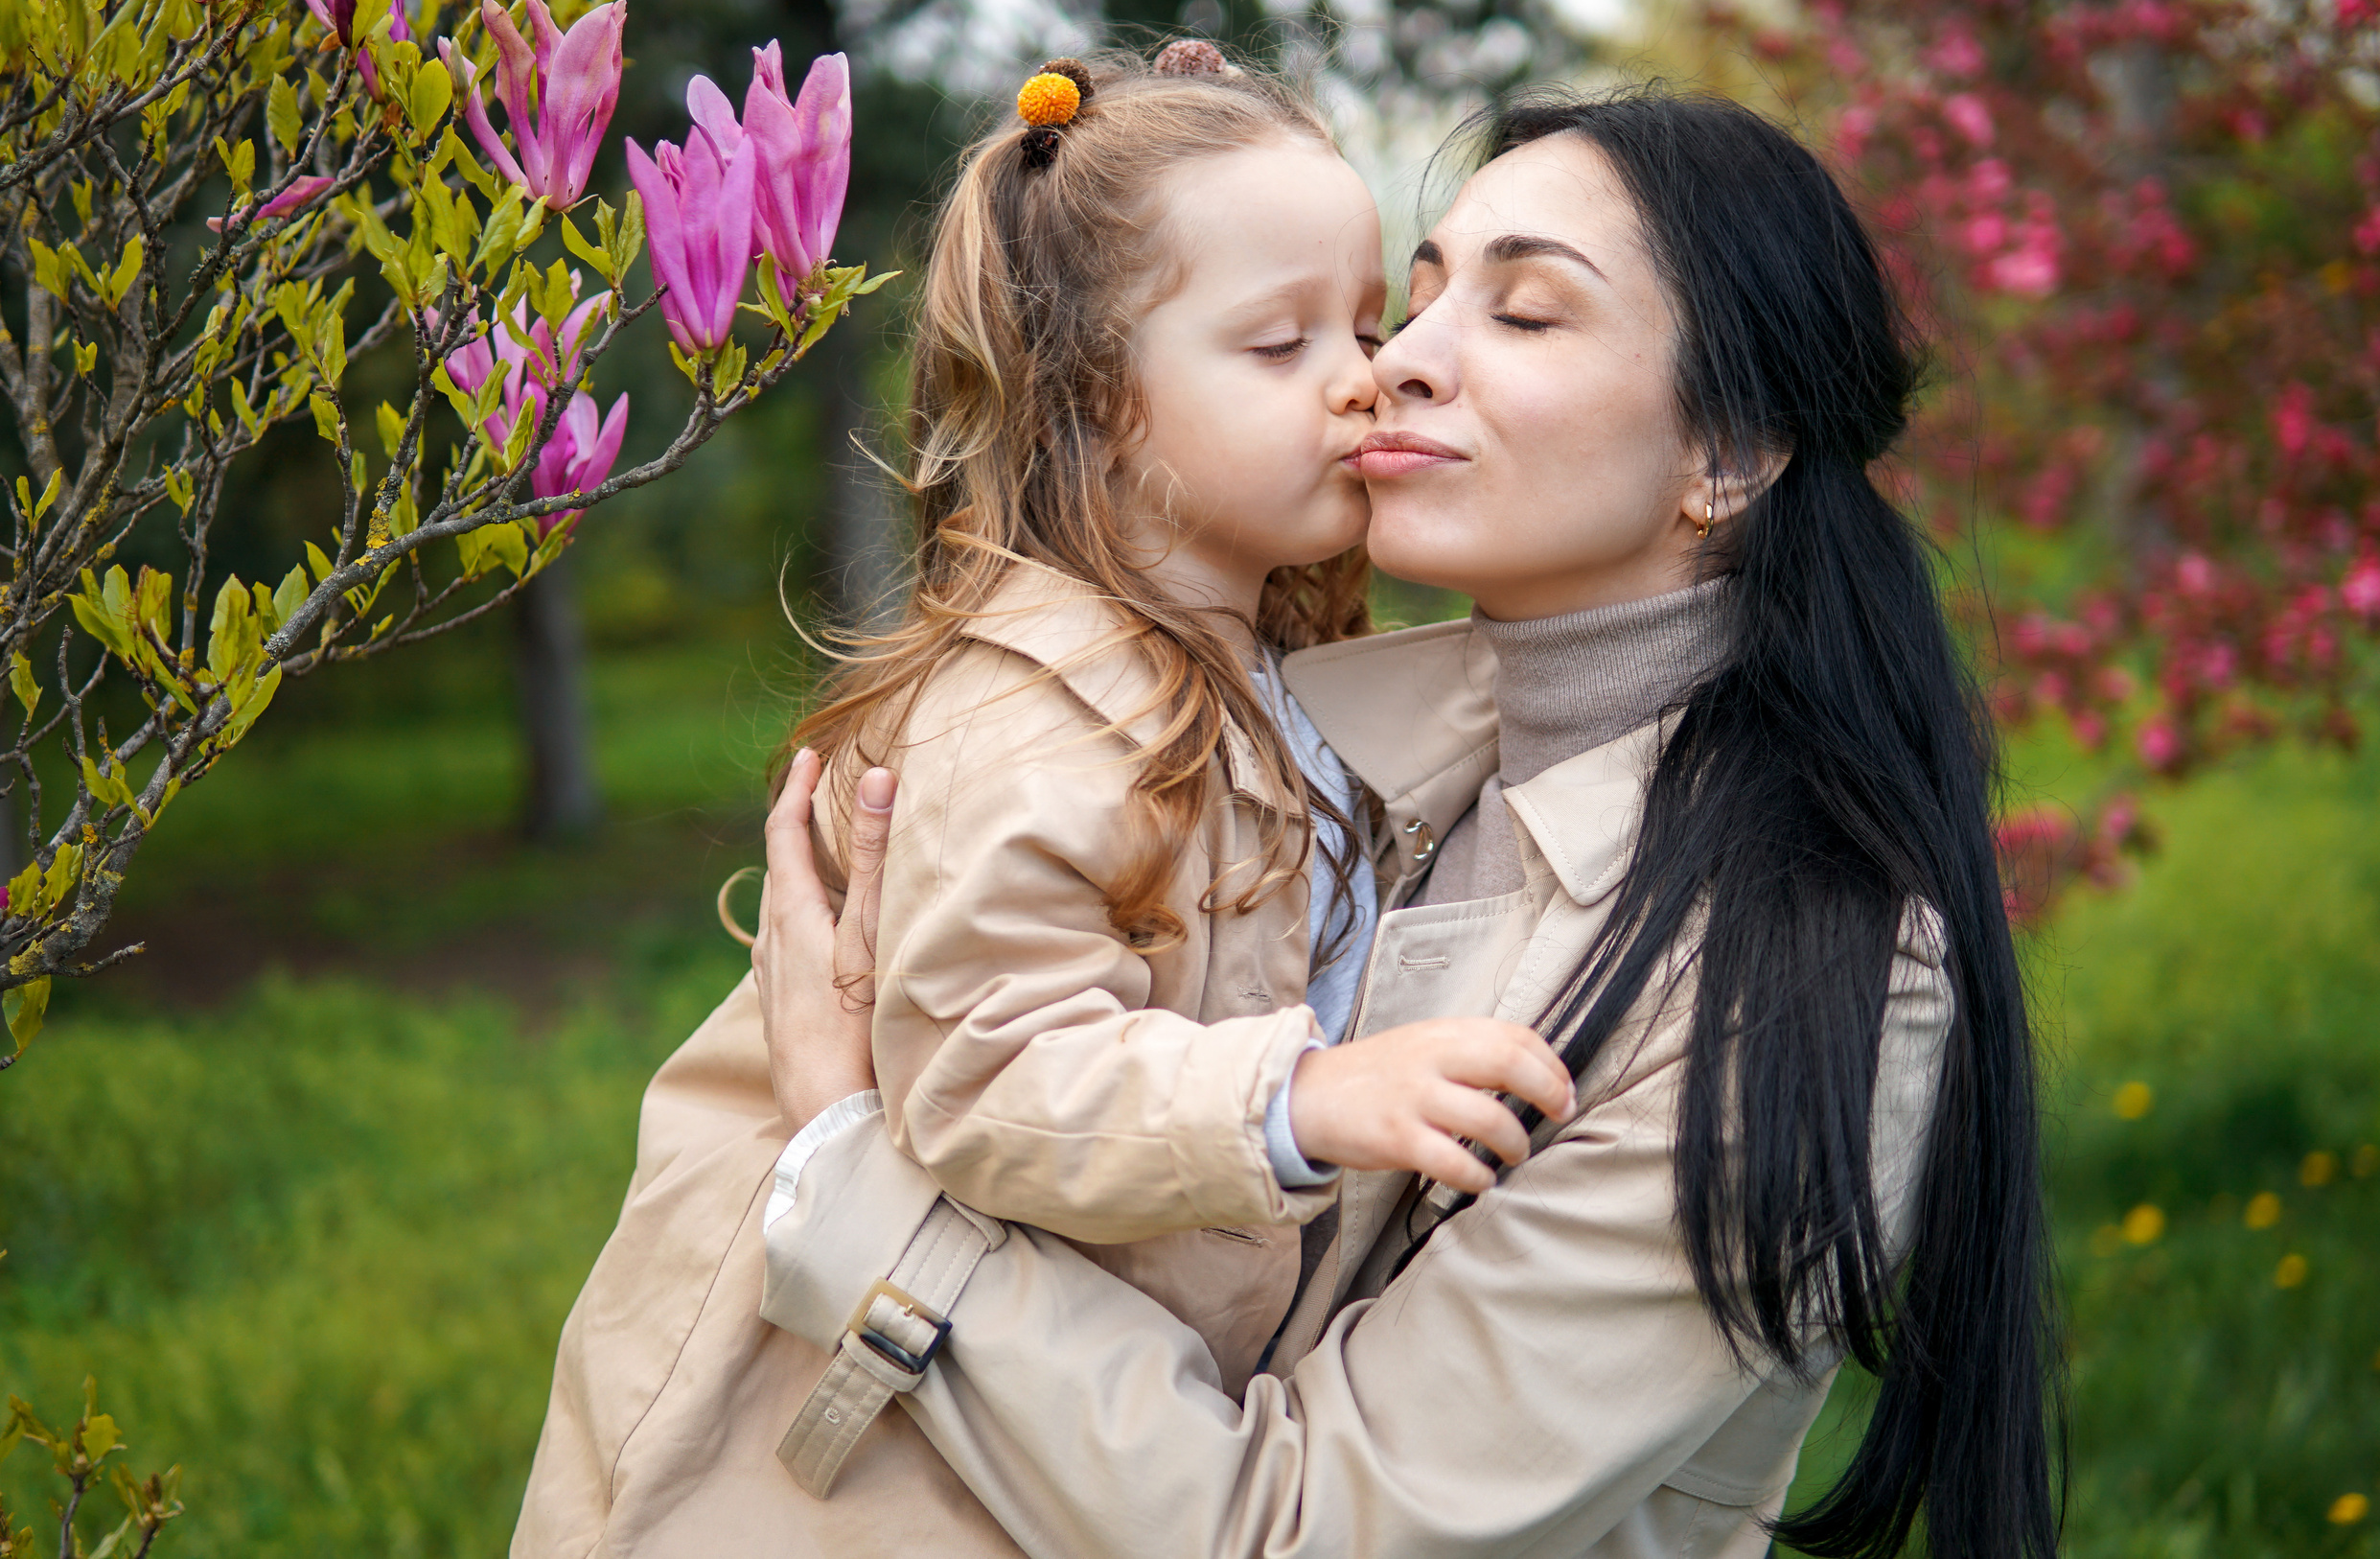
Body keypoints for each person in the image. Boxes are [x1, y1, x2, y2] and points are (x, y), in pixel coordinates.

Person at [757, 85, 2061, 1559]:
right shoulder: (1286, 751)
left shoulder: (1792, 967)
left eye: (1525, 316)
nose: (1396, 370)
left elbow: (1304, 1530)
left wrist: (847, 1169)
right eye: (1417, 304)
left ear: (1731, 453)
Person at [510, 45, 1568, 1559]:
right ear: (1099, 406)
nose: (1364, 374)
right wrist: (1299, 1100)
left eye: (1363, 322)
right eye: (1280, 345)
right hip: (842, 1469)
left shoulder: (1254, 661)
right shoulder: (1037, 709)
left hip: (1042, 1403)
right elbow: (986, 1073)